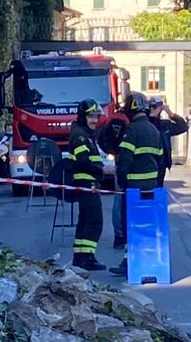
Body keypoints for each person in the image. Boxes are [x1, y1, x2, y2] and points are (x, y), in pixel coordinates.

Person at [111, 92, 163, 276]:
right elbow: (161, 158)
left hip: (133, 187)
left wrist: (121, 179)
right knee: (147, 223)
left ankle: (128, 262)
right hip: (151, 186)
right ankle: (146, 259)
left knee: (129, 225)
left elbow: (125, 158)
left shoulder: (132, 130)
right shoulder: (153, 130)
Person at [65, 98, 106, 271]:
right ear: (83, 116)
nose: (95, 121)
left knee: (85, 220)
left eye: (96, 117)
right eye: (91, 117)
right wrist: (103, 171)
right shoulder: (80, 135)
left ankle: (80, 257)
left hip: (87, 183)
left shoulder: (83, 133)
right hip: (86, 183)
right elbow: (83, 162)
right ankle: (87, 258)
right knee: (94, 221)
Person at [98, 107, 130, 248]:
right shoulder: (121, 120)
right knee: (120, 200)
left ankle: (120, 236)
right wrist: (116, 153)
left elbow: (102, 139)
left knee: (120, 199)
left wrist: (113, 152)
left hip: (122, 163)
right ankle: (121, 235)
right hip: (125, 166)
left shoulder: (117, 118)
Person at [149, 97, 189, 188]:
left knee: (158, 188)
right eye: (150, 107)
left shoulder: (164, 125)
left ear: (160, 109)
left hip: (161, 163)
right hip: (146, 162)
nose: (152, 109)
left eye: (155, 107)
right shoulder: (143, 122)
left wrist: (170, 113)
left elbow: (183, 127)